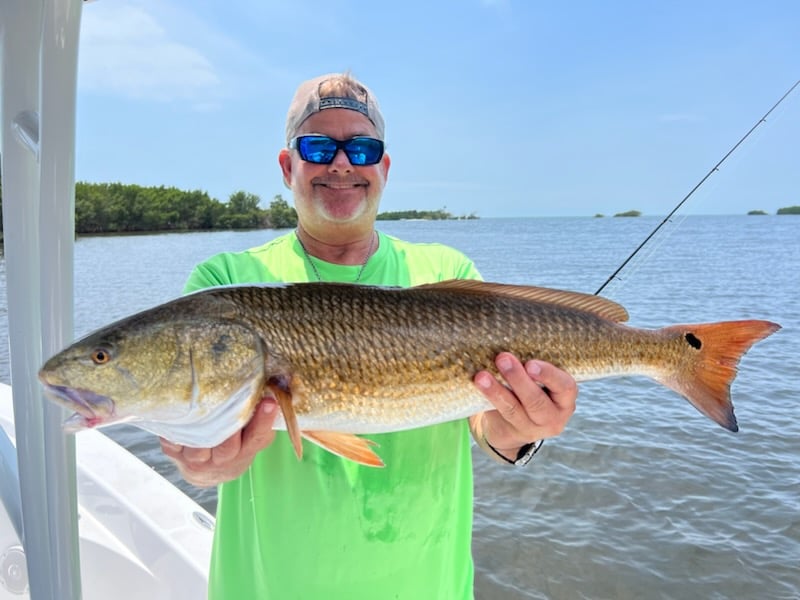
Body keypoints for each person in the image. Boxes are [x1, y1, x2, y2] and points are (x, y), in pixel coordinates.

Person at [161, 72, 577, 599]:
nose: (341, 163)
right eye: (317, 146)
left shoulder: (446, 270)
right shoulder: (224, 287)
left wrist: (524, 429)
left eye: (361, 147)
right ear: (288, 166)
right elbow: (201, 447)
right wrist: (199, 460)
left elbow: (486, 421)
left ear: (383, 167)